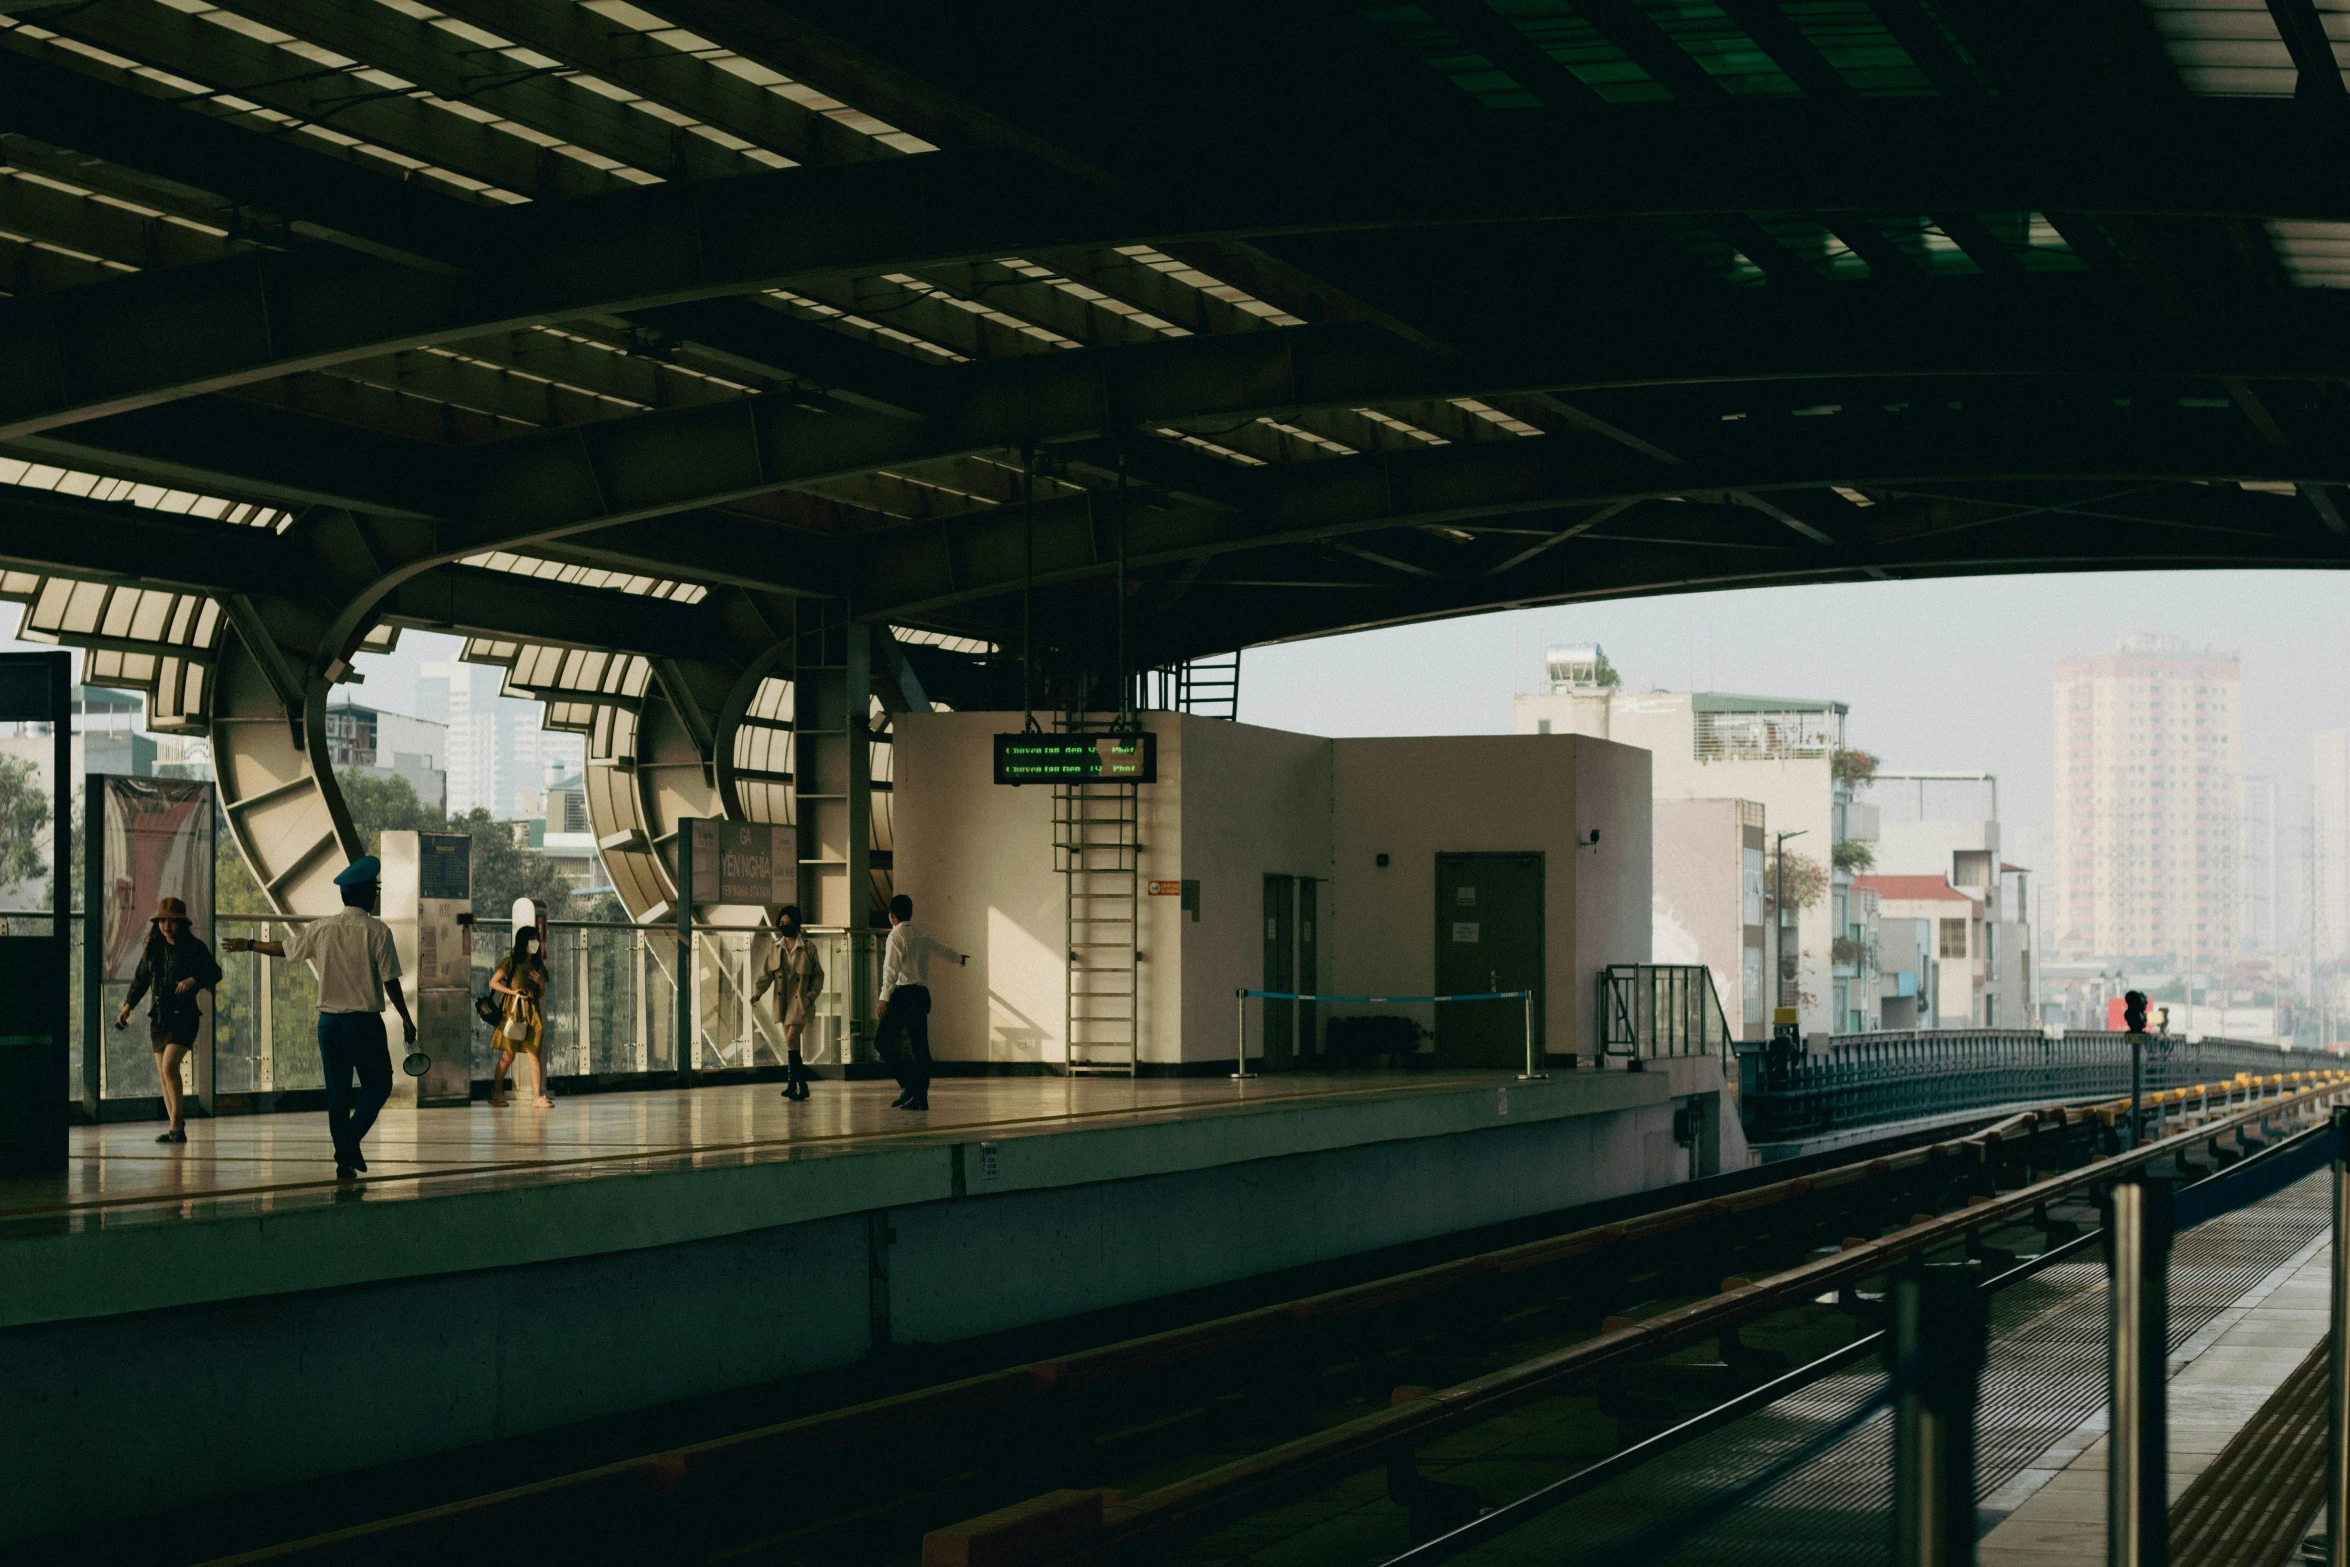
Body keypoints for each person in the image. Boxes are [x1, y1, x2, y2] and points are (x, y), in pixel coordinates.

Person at [225, 856, 416, 1181]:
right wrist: (407, 1020)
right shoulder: (377, 931)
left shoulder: (322, 928)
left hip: (329, 1024)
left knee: (338, 1093)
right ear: (369, 893)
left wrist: (251, 945)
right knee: (379, 1084)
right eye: (376, 888)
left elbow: (286, 949)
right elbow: (391, 982)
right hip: (364, 1023)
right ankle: (350, 1142)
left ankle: (344, 1161)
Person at [115, 896, 221, 1145]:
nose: (165, 926)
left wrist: (193, 980)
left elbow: (214, 972)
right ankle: (176, 1128)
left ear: (182, 924)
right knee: (163, 1075)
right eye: (162, 921)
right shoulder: (154, 948)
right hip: (159, 1018)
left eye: (171, 922)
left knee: (169, 1067)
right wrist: (127, 1007)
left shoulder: (194, 948)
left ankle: (176, 1122)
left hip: (184, 1017)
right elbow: (141, 979)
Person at [873, 893, 964, 1112]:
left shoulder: (896, 936)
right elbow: (940, 949)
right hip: (921, 995)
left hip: (903, 995)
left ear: (892, 916)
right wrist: (958, 958)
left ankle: (908, 1085)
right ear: (910, 913)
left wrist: (884, 997)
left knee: (883, 1042)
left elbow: (890, 969)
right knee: (920, 1048)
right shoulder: (921, 934)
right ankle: (919, 1095)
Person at [752, 904, 824, 1101]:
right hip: (782, 1002)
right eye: (781, 923)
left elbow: (818, 976)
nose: (784, 926)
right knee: (792, 1045)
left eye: (788, 923)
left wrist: (810, 996)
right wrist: (757, 992)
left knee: (791, 1040)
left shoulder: (808, 948)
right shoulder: (775, 948)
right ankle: (802, 1086)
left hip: (801, 1002)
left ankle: (792, 1083)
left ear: (796, 924)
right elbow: (765, 974)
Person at [488, 926, 553, 1109]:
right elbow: (493, 982)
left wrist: (540, 984)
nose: (535, 943)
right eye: (531, 938)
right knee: (508, 1055)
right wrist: (512, 992)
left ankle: (537, 1096)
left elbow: (540, 993)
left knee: (534, 1054)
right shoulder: (511, 962)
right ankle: (496, 1093)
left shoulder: (538, 965)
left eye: (536, 939)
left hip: (531, 1014)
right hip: (513, 1012)